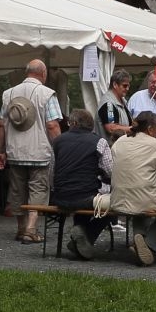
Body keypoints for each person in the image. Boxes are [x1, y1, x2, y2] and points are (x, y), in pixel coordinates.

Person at [0, 60, 62, 244]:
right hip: (39, 153)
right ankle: (31, 229)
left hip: (15, 152)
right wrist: (60, 148)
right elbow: (52, 125)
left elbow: (1, 124)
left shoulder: (8, 94)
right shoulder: (47, 94)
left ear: (27, 73)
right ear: (43, 73)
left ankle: (21, 228)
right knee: (38, 189)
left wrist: (0, 150)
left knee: (17, 190)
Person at [49, 110, 115, 261]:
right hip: (86, 196)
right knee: (116, 206)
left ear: (73, 123)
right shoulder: (99, 142)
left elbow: (51, 172)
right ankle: (87, 235)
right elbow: (111, 171)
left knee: (81, 199)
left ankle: (79, 238)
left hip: (60, 197)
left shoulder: (57, 141)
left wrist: (55, 190)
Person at [110, 112, 156, 266]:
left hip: (118, 198)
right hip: (145, 198)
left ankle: (139, 235)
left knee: (138, 199)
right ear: (150, 129)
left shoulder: (119, 142)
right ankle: (150, 244)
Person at [97, 70, 134, 142]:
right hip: (109, 147)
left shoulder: (123, 101)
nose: (127, 89)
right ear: (115, 85)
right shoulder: (109, 104)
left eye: (128, 86)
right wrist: (133, 129)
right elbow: (111, 128)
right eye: (125, 86)